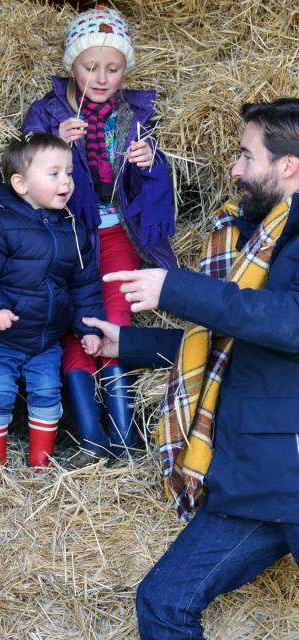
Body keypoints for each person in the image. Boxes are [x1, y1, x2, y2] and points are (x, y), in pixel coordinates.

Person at [84, 98, 299, 639]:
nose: (236, 169)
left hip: (287, 463)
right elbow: (231, 347)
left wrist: (175, 288)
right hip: (254, 477)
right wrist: (127, 345)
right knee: (163, 604)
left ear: (288, 165)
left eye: (246, 156)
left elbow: (289, 323)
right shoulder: (259, 237)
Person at [21, 5, 177, 461]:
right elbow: (21, 175)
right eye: (91, 67)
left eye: (114, 68)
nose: (102, 77)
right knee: (73, 324)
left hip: (115, 234)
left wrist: (152, 164)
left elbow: (154, 179)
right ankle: (91, 435)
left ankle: (125, 437)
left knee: (114, 319)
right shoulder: (49, 111)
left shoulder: (135, 112)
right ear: (72, 64)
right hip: (65, 233)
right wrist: (53, 144)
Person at [0, 132, 104, 467]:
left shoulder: (72, 228)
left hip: (45, 340)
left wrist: (89, 327)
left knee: (48, 394)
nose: (66, 181)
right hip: (1, 337)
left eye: (69, 173)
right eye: (54, 174)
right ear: (21, 184)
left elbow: (85, 284)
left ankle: (40, 464)